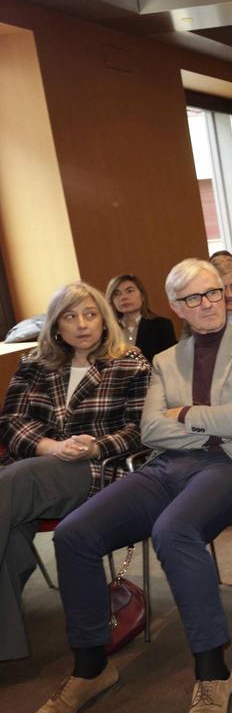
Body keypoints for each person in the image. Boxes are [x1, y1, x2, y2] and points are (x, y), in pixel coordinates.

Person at [21, 258, 232, 713]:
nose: (206, 304)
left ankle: (213, 672)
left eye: (212, 293)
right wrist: (214, 417)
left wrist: (182, 412)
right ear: (175, 307)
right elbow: (150, 430)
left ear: (224, 294)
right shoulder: (164, 360)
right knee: (74, 534)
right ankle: (90, 668)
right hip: (167, 465)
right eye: (191, 298)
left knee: (173, 531)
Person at [0, 283, 150, 662]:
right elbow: (10, 422)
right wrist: (49, 447)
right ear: (55, 326)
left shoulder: (129, 362)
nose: (82, 324)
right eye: (70, 316)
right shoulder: (34, 364)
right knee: (13, 537)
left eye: (90, 314)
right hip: (37, 467)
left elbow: (141, 428)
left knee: (15, 481)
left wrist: (96, 446)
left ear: (104, 319)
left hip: (97, 470)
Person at [106, 273, 177, 362]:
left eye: (129, 291)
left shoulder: (162, 325)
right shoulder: (107, 331)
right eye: (116, 294)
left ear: (142, 296)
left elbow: (169, 362)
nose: (123, 297)